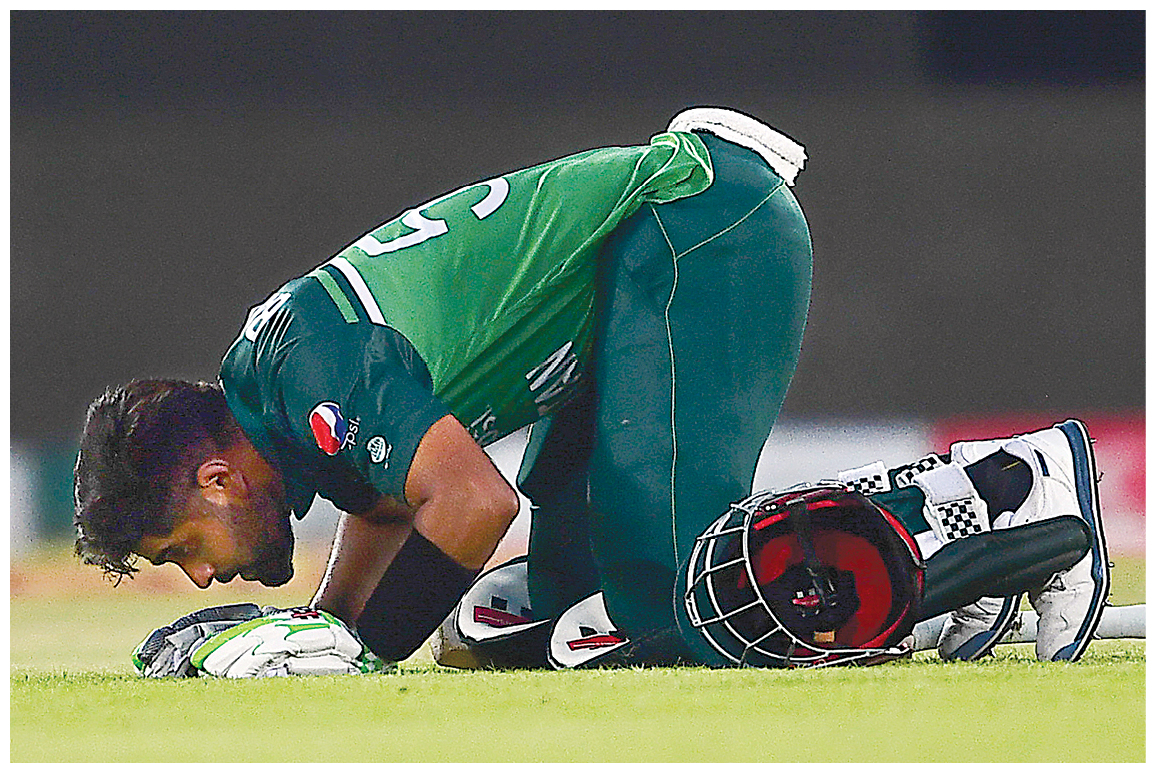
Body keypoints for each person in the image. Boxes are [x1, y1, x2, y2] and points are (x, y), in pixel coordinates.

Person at [73, 108, 1109, 676]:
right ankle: (943, 572)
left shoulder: (309, 371)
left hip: (698, 223)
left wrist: (367, 649)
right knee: (559, 614)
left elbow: (471, 501)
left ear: (216, 479)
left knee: (675, 604)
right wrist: (325, 628)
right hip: (638, 274)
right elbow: (390, 499)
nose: (199, 577)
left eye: (179, 549)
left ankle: (1013, 489)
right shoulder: (279, 385)